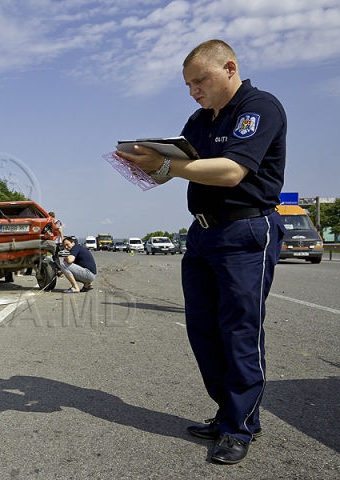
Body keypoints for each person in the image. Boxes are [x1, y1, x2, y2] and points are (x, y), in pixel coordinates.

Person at [116, 39, 286, 464]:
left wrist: (164, 165)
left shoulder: (259, 107)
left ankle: (239, 426)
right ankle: (231, 412)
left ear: (229, 68)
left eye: (200, 80)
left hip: (245, 227)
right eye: (188, 84)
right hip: (203, 233)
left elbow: (231, 171)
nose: (193, 91)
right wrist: (142, 164)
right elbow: (172, 175)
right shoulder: (199, 120)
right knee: (203, 330)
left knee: (240, 330)